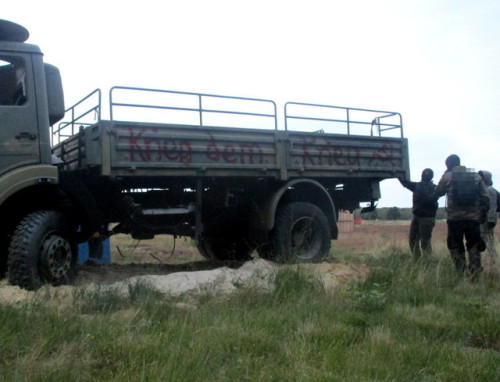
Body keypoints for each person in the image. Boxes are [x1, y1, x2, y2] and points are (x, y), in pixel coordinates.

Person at [435, 154, 489, 281]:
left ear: (448, 165)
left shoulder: (448, 176)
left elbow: (437, 192)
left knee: (455, 245)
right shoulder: (475, 175)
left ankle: (460, 273)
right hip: (473, 219)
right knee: (474, 245)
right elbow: (485, 197)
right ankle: (475, 273)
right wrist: (482, 215)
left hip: (455, 219)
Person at [399, 168, 438, 260]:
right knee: (421, 241)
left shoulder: (417, 186)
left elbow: (405, 183)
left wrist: (397, 175)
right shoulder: (435, 188)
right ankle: (422, 260)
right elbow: (405, 183)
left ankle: (423, 261)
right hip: (423, 217)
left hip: (424, 217)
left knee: (419, 241)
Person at [478, 170, 498, 274]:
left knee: (487, 240)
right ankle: (492, 260)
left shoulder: (489, 190)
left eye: (481, 177)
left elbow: (492, 207)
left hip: (487, 221)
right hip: (485, 220)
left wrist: (491, 220)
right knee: (488, 240)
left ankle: (493, 260)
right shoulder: (485, 189)